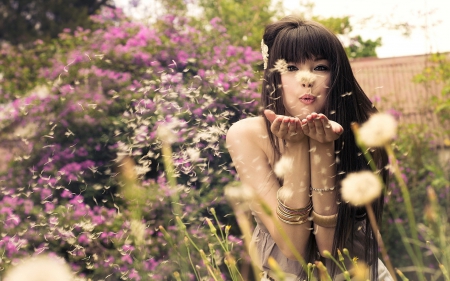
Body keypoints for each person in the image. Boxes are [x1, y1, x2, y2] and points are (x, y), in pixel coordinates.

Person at [226, 16, 393, 280]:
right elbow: (293, 246)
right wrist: (295, 149)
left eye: (320, 67)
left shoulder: (363, 128)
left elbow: (330, 250)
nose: (307, 79)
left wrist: (323, 149)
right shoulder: (247, 134)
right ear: (275, 76)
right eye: (291, 67)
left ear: (336, 75)